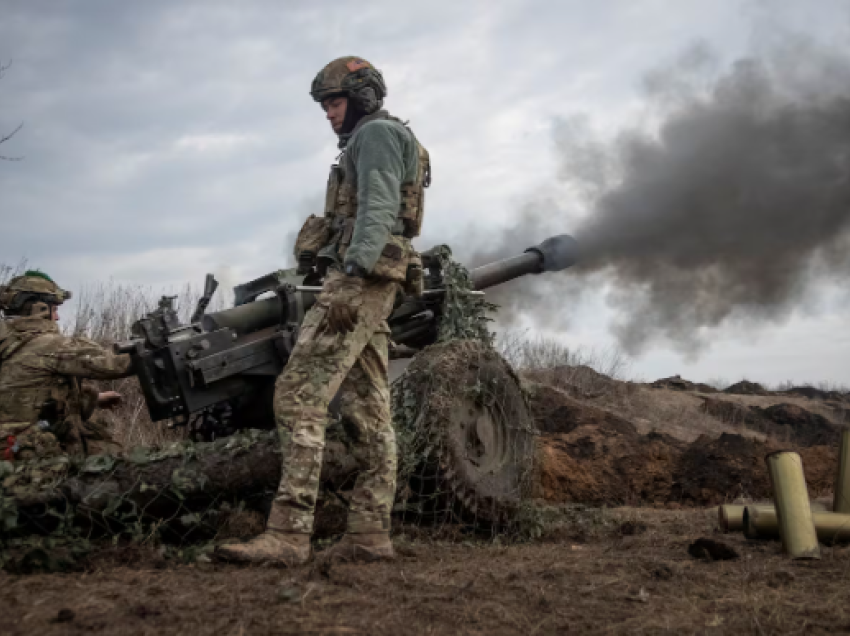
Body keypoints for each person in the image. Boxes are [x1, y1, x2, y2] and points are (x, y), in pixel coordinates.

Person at [218, 56, 429, 565]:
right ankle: (370, 534)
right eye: (325, 106)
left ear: (361, 97)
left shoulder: (375, 135)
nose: (329, 114)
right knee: (369, 410)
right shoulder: (390, 136)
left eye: (334, 103)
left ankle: (288, 536)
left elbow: (378, 205)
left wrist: (352, 272)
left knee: (296, 395)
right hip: (378, 282)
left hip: (360, 281)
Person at [0, 271, 133, 460]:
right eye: (54, 310)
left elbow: (21, 395)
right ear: (38, 309)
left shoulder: (7, 342)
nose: (57, 318)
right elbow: (115, 365)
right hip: (27, 459)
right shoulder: (46, 345)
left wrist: (96, 398)